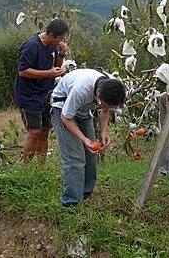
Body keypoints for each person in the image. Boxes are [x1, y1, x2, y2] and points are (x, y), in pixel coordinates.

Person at [50, 69, 126, 206]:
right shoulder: (81, 89)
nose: (104, 106)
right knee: (75, 157)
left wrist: (103, 132)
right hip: (61, 108)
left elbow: (105, 110)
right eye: (102, 103)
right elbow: (66, 117)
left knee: (91, 154)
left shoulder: (111, 87)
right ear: (98, 93)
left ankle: (86, 193)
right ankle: (71, 202)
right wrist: (84, 139)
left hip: (83, 109)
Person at [13, 18, 69, 165]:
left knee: (44, 132)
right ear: (51, 35)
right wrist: (48, 74)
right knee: (34, 132)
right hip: (29, 96)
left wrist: (62, 55)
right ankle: (26, 170)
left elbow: (55, 66)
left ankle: (41, 168)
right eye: (60, 39)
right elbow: (23, 71)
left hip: (46, 95)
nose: (61, 41)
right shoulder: (31, 46)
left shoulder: (52, 46)